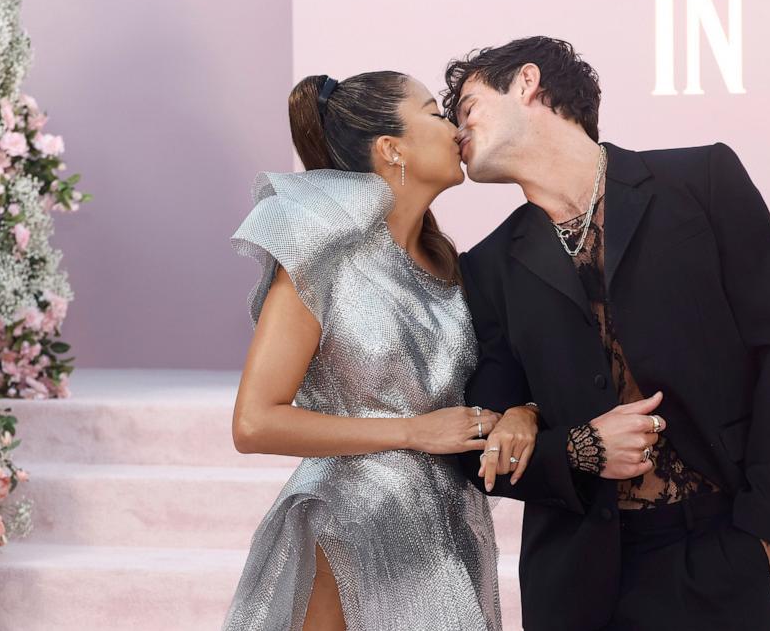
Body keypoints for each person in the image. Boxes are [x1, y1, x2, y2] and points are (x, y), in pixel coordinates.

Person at [443, 36, 770, 631]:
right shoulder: (488, 266)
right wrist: (576, 447)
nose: (455, 132)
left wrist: (764, 535)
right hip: (576, 584)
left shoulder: (701, 180)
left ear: (526, 83)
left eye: (465, 107)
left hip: (719, 548)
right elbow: (479, 442)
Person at [222, 71, 539, 631]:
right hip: (349, 519)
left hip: (448, 527)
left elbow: (491, 384)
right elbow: (253, 422)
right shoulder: (324, 256)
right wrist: (413, 431)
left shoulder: (451, 264)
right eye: (437, 113)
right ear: (392, 149)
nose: (456, 126)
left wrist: (522, 413)